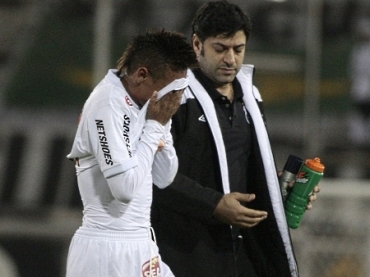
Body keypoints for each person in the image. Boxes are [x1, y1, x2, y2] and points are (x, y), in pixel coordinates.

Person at [151, 2, 320, 277]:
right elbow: (154, 175)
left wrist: (277, 189)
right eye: (220, 49)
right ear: (197, 45)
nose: (231, 59)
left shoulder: (251, 96)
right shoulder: (174, 98)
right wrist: (214, 204)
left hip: (241, 253)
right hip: (186, 254)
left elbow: (242, 167)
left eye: (238, 49)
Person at [65, 29, 198, 277]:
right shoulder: (107, 105)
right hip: (105, 251)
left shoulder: (145, 107)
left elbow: (163, 177)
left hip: (141, 243)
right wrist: (155, 126)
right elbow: (124, 189)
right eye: (171, 90)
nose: (176, 100)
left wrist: (162, 124)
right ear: (142, 75)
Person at [348, 17, 370, 147]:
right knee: (359, 115)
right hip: (360, 87)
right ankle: (359, 142)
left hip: (363, 87)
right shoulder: (358, 50)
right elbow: (353, 70)